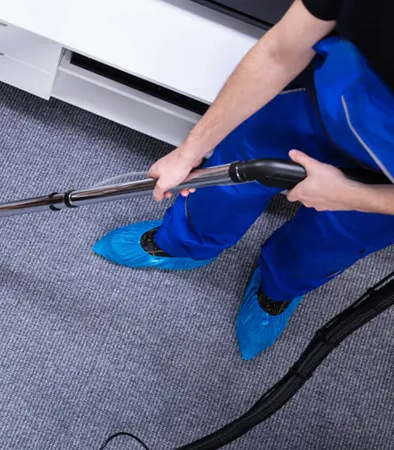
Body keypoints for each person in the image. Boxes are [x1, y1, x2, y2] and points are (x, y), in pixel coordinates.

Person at [93, 0, 394, 360]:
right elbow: (280, 52)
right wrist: (188, 153)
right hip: (321, 101)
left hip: (384, 186)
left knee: (330, 243)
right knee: (224, 181)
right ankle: (183, 242)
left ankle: (277, 289)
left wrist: (355, 195)